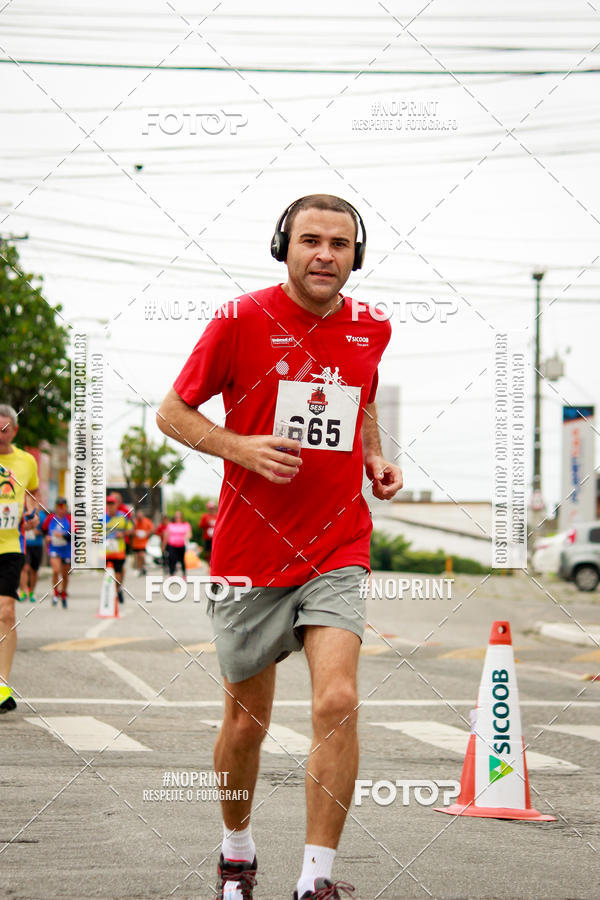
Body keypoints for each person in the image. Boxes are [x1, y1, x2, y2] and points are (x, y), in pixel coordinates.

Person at [157, 194, 403, 899]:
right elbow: (172, 412)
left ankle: (315, 879)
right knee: (245, 723)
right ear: (283, 247)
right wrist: (240, 447)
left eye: (341, 243)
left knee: (339, 698)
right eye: (311, 241)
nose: (326, 254)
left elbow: (361, 398)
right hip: (250, 554)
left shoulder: (371, 328)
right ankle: (236, 850)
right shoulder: (240, 320)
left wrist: (373, 458)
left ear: (358, 254)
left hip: (337, 546)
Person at [0, 404, 40, 714]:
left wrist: (31, 515)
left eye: (5, 430)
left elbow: (33, 495)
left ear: (14, 430)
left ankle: (1, 685)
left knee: (6, 612)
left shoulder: (26, 461)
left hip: (10, 546)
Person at [42, 498, 72, 607]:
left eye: (62, 507)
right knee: (56, 570)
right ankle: (55, 593)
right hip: (54, 548)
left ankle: (63, 592)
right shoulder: (50, 518)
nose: (60, 510)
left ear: (66, 508)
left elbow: (76, 535)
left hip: (66, 549)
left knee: (65, 574)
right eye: (58, 507)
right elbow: (43, 529)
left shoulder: (70, 519)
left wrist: (62, 535)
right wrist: (47, 537)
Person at [105, 494, 133, 604]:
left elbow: (131, 529)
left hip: (119, 550)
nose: (110, 506)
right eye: (109, 504)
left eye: (112, 503)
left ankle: (118, 590)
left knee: (118, 573)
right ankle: (111, 592)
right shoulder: (102, 517)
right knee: (108, 575)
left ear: (117, 504)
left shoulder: (123, 516)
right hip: (106, 551)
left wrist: (123, 534)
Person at [19, 507, 46, 603]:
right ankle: (23, 591)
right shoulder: (21, 511)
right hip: (24, 545)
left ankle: (31, 592)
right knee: (24, 568)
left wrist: (38, 532)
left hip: (37, 545)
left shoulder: (42, 515)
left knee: (34, 570)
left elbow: (46, 530)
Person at [163, 510, 191, 577]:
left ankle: (184, 574)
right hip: (172, 545)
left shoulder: (185, 524)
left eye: (179, 516)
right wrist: (163, 546)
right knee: (172, 559)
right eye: (176, 516)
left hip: (181, 545)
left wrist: (186, 537)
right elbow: (166, 535)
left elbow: (189, 533)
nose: (177, 517)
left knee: (182, 560)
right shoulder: (170, 525)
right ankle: (171, 574)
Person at [132, 509, 154, 575]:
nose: (139, 517)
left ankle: (143, 567)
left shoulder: (147, 521)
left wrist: (146, 533)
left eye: (140, 515)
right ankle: (140, 569)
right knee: (138, 557)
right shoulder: (134, 521)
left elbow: (152, 529)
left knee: (142, 555)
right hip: (136, 543)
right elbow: (130, 530)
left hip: (144, 543)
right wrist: (136, 533)